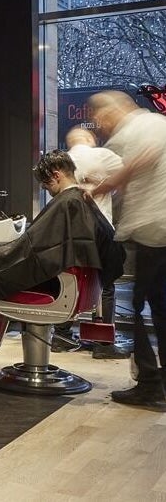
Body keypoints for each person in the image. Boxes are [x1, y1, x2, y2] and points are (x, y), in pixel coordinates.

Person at [0, 150, 123, 337]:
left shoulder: (66, 203)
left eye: (46, 186)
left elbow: (27, 250)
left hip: (54, 287)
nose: (47, 191)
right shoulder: (82, 198)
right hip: (76, 287)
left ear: (56, 175)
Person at [89, 90, 166, 408]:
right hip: (157, 231)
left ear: (109, 113)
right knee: (157, 309)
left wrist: (100, 188)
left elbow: (136, 163)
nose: (98, 124)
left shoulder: (128, 133)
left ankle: (150, 385)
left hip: (155, 230)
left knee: (140, 307)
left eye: (99, 117)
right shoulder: (157, 122)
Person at [62, 126, 128, 359]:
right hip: (100, 230)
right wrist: (103, 186)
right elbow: (128, 176)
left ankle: (61, 335)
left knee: (72, 279)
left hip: (70, 231)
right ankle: (102, 343)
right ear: (90, 138)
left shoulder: (64, 160)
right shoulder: (103, 156)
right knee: (106, 284)